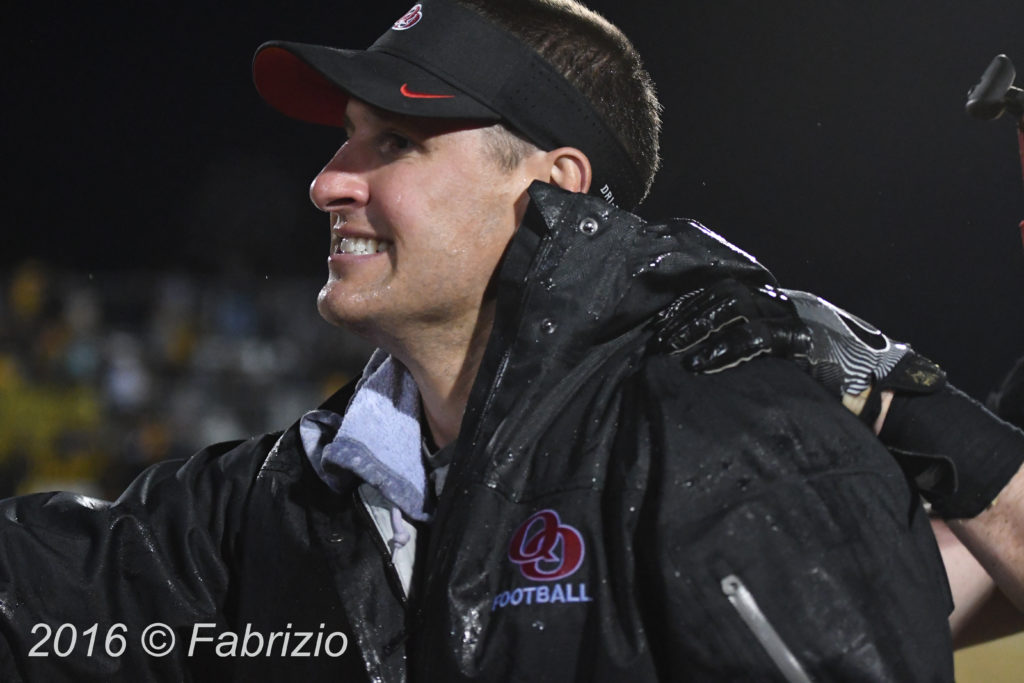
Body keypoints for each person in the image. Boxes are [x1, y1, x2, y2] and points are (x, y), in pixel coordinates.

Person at [0, 1, 1021, 681]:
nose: (326, 182)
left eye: (392, 141)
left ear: (552, 186)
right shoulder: (290, 493)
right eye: (344, 138)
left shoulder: (726, 436)